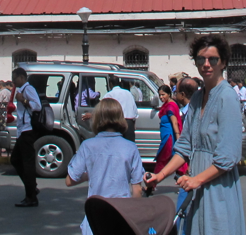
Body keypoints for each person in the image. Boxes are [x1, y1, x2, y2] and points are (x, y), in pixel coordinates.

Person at [145, 34, 246, 235]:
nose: (206, 64)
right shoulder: (198, 97)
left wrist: (197, 180)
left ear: (223, 62)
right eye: (201, 59)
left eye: (213, 59)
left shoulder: (228, 97)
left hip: (218, 187)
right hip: (196, 186)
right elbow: (184, 146)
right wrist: (160, 175)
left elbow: (228, 156)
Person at [66, 98, 145, 235]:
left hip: (95, 217)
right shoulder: (130, 148)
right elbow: (137, 189)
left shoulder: (87, 146)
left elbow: (70, 180)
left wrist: (89, 174)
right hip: (121, 215)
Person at [10, 67, 42, 208]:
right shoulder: (21, 90)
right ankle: (31, 188)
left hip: (28, 131)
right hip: (22, 131)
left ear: (22, 77)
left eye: (15, 78)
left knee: (27, 164)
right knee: (16, 160)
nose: (13, 81)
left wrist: (23, 101)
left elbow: (37, 106)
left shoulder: (28, 89)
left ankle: (31, 197)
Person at [155, 85, 185, 174]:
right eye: (160, 95)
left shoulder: (170, 107)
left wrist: (178, 137)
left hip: (169, 138)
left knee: (162, 160)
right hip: (167, 137)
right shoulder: (168, 105)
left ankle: (152, 183)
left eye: (163, 95)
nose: (161, 97)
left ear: (169, 94)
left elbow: (175, 122)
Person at [101, 75, 138, 142]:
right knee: (129, 146)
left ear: (110, 84)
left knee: (117, 146)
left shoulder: (109, 95)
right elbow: (135, 111)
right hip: (129, 123)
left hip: (117, 123)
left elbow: (103, 110)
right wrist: (133, 125)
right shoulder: (128, 93)